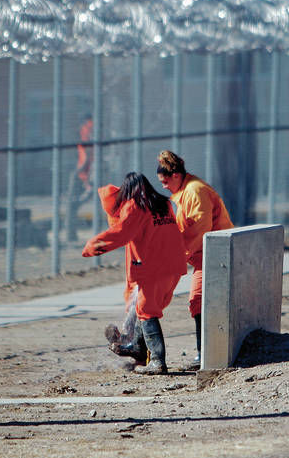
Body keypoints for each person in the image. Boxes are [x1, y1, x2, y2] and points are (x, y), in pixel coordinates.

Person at [81, 172, 187, 374]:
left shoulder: (135, 206)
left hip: (153, 267)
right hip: (174, 265)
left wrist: (92, 246)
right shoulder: (163, 204)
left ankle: (157, 361)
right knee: (143, 308)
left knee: (146, 311)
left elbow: (120, 233)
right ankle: (137, 348)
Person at [155, 150, 233, 367]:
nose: (163, 186)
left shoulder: (195, 191)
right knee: (199, 303)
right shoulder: (188, 191)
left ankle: (205, 355)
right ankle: (205, 354)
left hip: (214, 255)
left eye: (164, 181)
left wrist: (177, 254)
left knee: (198, 301)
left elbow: (199, 229)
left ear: (176, 176)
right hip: (205, 256)